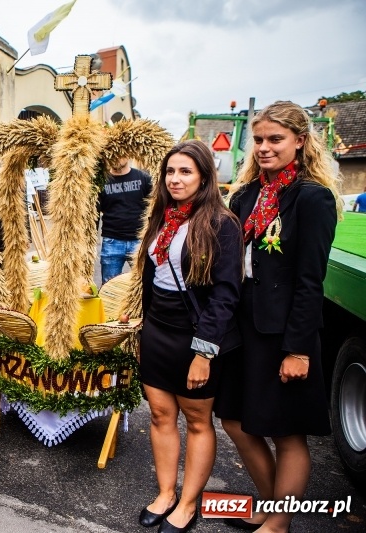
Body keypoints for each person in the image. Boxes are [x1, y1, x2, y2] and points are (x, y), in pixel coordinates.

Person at [214, 101, 341, 532]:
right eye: (261, 140)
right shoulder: (247, 194)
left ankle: (279, 522)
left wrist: (299, 349)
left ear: (300, 142)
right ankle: (272, 506)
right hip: (242, 327)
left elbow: (310, 281)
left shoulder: (312, 198)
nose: (265, 148)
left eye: (276, 140)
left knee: (287, 432)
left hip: (284, 332)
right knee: (233, 418)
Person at [134, 140, 242, 533]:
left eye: (185, 172)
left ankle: (189, 503)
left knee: (197, 421)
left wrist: (204, 354)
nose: (175, 179)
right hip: (157, 331)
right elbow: (151, 277)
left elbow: (227, 294)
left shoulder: (221, 223)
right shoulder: (163, 216)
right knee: (161, 415)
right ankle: (166, 493)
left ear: (204, 177)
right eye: (170, 171)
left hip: (195, 337)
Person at [97, 157, 153, 285]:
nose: (117, 158)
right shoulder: (102, 182)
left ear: (128, 154)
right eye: (113, 154)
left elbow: (153, 207)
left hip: (139, 241)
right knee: (109, 286)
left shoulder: (143, 178)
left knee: (143, 284)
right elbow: (94, 212)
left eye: (120, 154)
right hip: (112, 242)